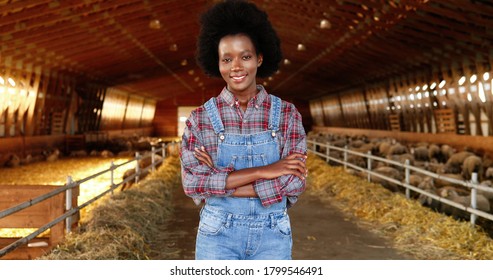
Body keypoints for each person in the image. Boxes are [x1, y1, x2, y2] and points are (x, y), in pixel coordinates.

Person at [179, 0, 307, 260]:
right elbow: (193, 183)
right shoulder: (201, 118)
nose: (236, 67)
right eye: (227, 59)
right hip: (217, 236)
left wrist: (220, 181)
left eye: (245, 56)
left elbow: (294, 182)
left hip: (273, 235)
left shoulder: (287, 114)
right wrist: (265, 171)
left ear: (260, 58)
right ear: (218, 64)